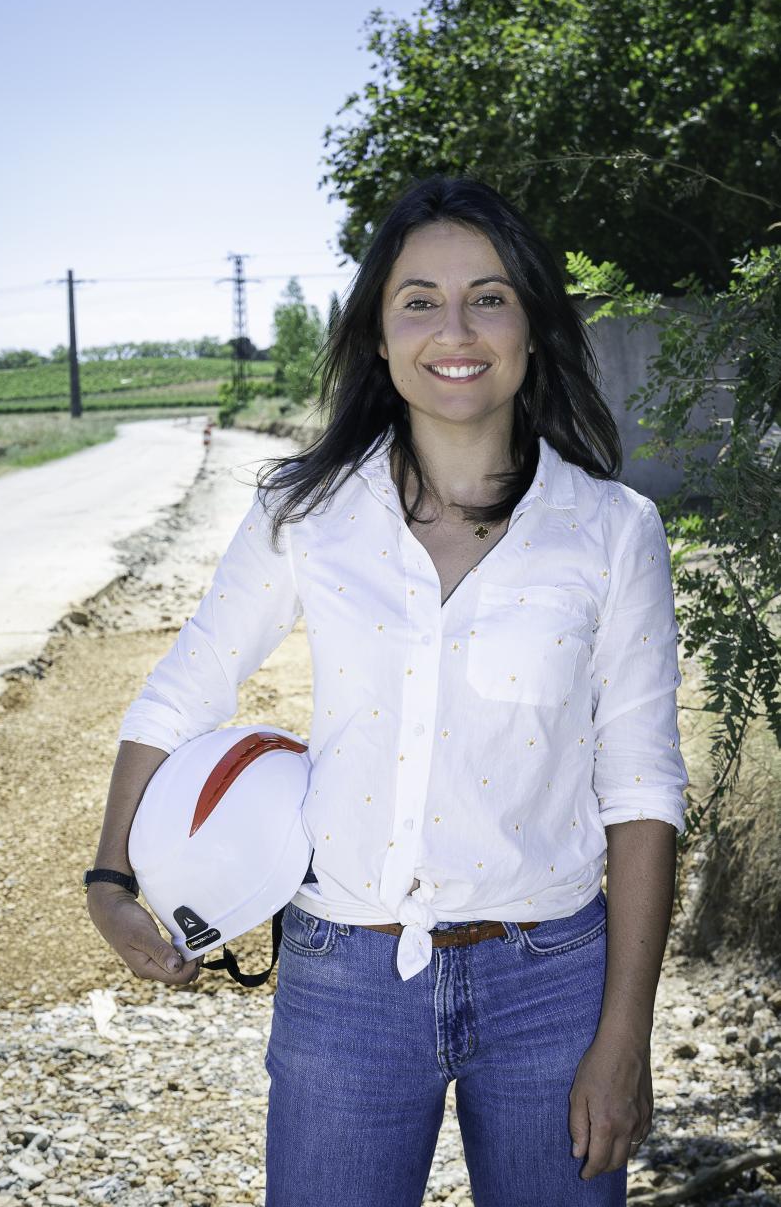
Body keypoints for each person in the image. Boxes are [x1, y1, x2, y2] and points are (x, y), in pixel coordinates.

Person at [87, 175, 689, 1207]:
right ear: (376, 333)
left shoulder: (612, 530)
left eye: (487, 296)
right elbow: (186, 685)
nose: (453, 328)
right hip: (344, 979)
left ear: (532, 327)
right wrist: (109, 873)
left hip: (552, 981)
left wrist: (622, 1036)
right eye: (418, 300)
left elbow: (640, 791)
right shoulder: (305, 510)